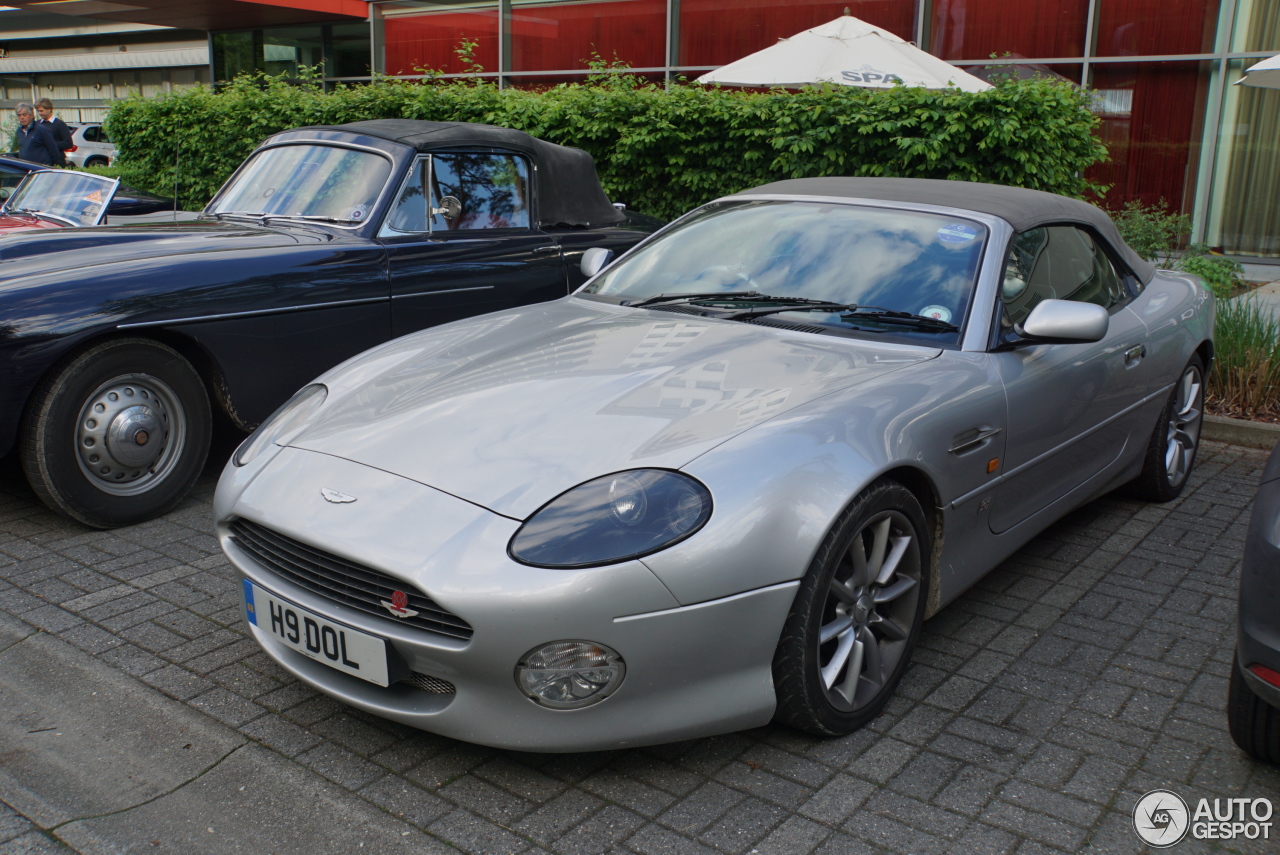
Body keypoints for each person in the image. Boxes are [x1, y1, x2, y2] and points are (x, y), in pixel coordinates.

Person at [35, 98, 73, 167]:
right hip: (40, 161)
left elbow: (68, 143)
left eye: (41, 111)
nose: (39, 113)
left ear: (49, 109)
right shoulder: (37, 124)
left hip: (56, 161)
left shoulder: (59, 124)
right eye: (38, 111)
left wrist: (50, 144)